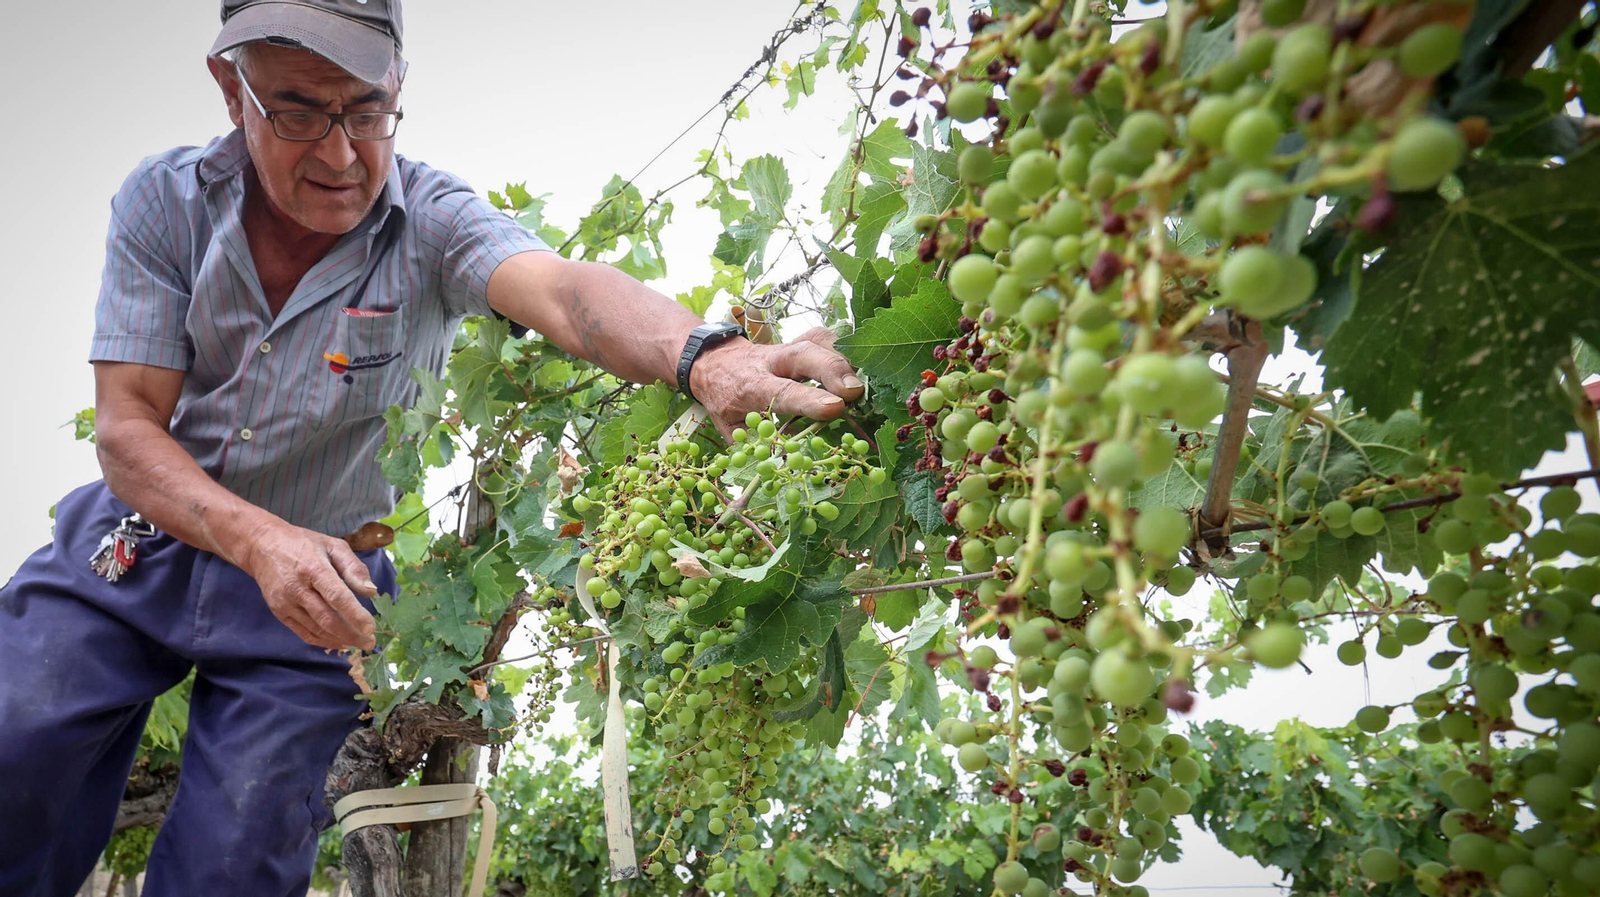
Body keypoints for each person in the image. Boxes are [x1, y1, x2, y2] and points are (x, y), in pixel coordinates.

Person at [0, 2, 864, 895]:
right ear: (232, 89)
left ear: (399, 86)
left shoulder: (435, 224)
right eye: (299, 112)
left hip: (325, 591)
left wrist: (708, 357)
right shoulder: (166, 201)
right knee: (14, 734)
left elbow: (562, 291)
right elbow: (128, 429)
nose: (342, 153)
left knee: (238, 859)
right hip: (141, 540)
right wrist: (259, 540)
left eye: (367, 110)